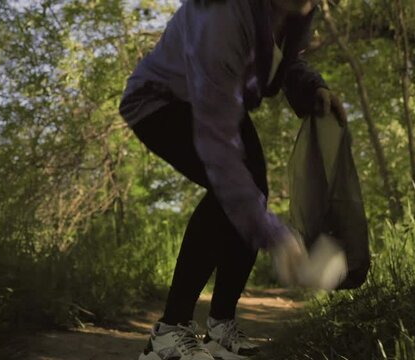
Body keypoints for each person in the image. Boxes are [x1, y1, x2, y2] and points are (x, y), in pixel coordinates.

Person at [119, 0, 346, 359]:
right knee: (233, 193)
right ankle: (168, 333)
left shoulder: (298, 9)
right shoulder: (223, 15)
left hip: (221, 98)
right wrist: (275, 235)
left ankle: (221, 327)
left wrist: (310, 87)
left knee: (254, 190)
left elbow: (281, 58)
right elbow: (219, 156)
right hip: (161, 100)